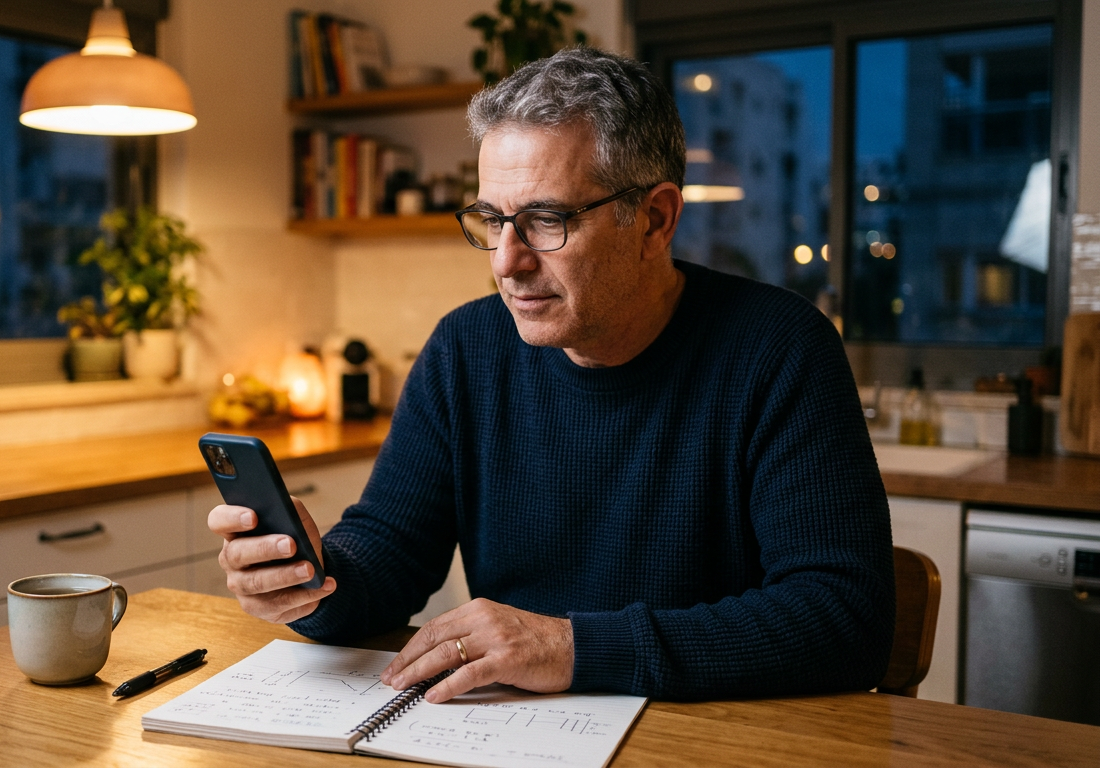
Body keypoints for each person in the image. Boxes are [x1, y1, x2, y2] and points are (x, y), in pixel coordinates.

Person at [209, 47, 895, 704]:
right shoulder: (465, 348)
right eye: (491, 219)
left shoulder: (779, 349)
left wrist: (573, 648)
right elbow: (390, 549)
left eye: (545, 220)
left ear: (654, 220)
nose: (507, 262)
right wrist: (312, 580)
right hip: (516, 734)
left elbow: (843, 617)